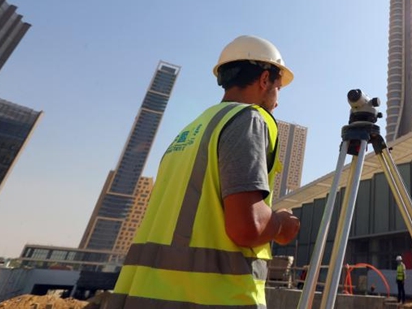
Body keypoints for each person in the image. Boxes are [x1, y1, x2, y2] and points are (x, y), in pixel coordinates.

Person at [106, 35, 301, 308]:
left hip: (143, 295)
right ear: (264, 79)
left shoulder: (192, 131)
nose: (278, 100)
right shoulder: (248, 119)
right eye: (278, 87)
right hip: (214, 297)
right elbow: (247, 228)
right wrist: (281, 224)